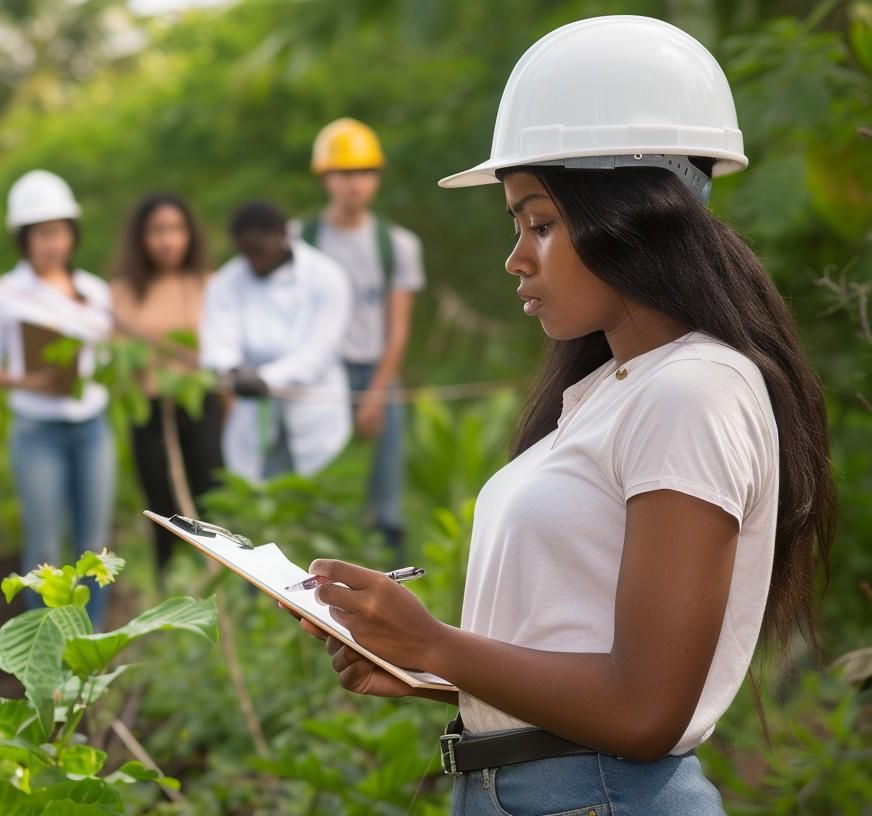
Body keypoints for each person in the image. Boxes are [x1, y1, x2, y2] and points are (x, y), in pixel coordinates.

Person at [294, 16, 835, 815]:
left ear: (634, 215)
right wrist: (429, 669)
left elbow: (645, 712)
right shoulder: (610, 392)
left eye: (539, 223)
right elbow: (583, 662)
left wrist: (438, 641)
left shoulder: (693, 392)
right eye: (517, 225)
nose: (516, 256)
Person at [0, 170, 116, 627]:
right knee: (46, 549)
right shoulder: (4, 294)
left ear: (73, 234)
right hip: (37, 432)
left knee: (95, 549)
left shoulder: (94, 292)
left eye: (59, 232)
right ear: (24, 239)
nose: (52, 243)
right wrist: (22, 380)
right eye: (41, 234)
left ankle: (90, 653)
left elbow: (111, 355)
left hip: (92, 426)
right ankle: (47, 651)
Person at [298, 118, 426, 555]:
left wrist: (375, 394)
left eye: (365, 172)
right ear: (325, 177)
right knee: (320, 483)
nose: (355, 184)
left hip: (378, 372)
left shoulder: (398, 245)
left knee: (385, 493)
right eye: (344, 173)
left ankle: (391, 584)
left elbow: (399, 326)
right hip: (319, 376)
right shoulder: (302, 240)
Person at [110, 192, 224, 574]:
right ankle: (170, 591)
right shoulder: (124, 292)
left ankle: (220, 585)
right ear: (141, 238)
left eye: (175, 230)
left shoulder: (209, 284)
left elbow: (221, 348)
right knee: (162, 507)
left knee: (211, 499)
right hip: (151, 410)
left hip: (201, 403)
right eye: (157, 231)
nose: (167, 240)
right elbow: (120, 356)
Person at [200, 201, 352, 483]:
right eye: (246, 253)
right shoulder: (226, 282)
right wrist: (232, 370)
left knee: (317, 495)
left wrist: (266, 378)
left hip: (314, 404)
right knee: (258, 491)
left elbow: (318, 351)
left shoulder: (326, 277)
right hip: (252, 405)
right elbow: (218, 340)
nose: (253, 261)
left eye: (259, 250)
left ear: (282, 234)